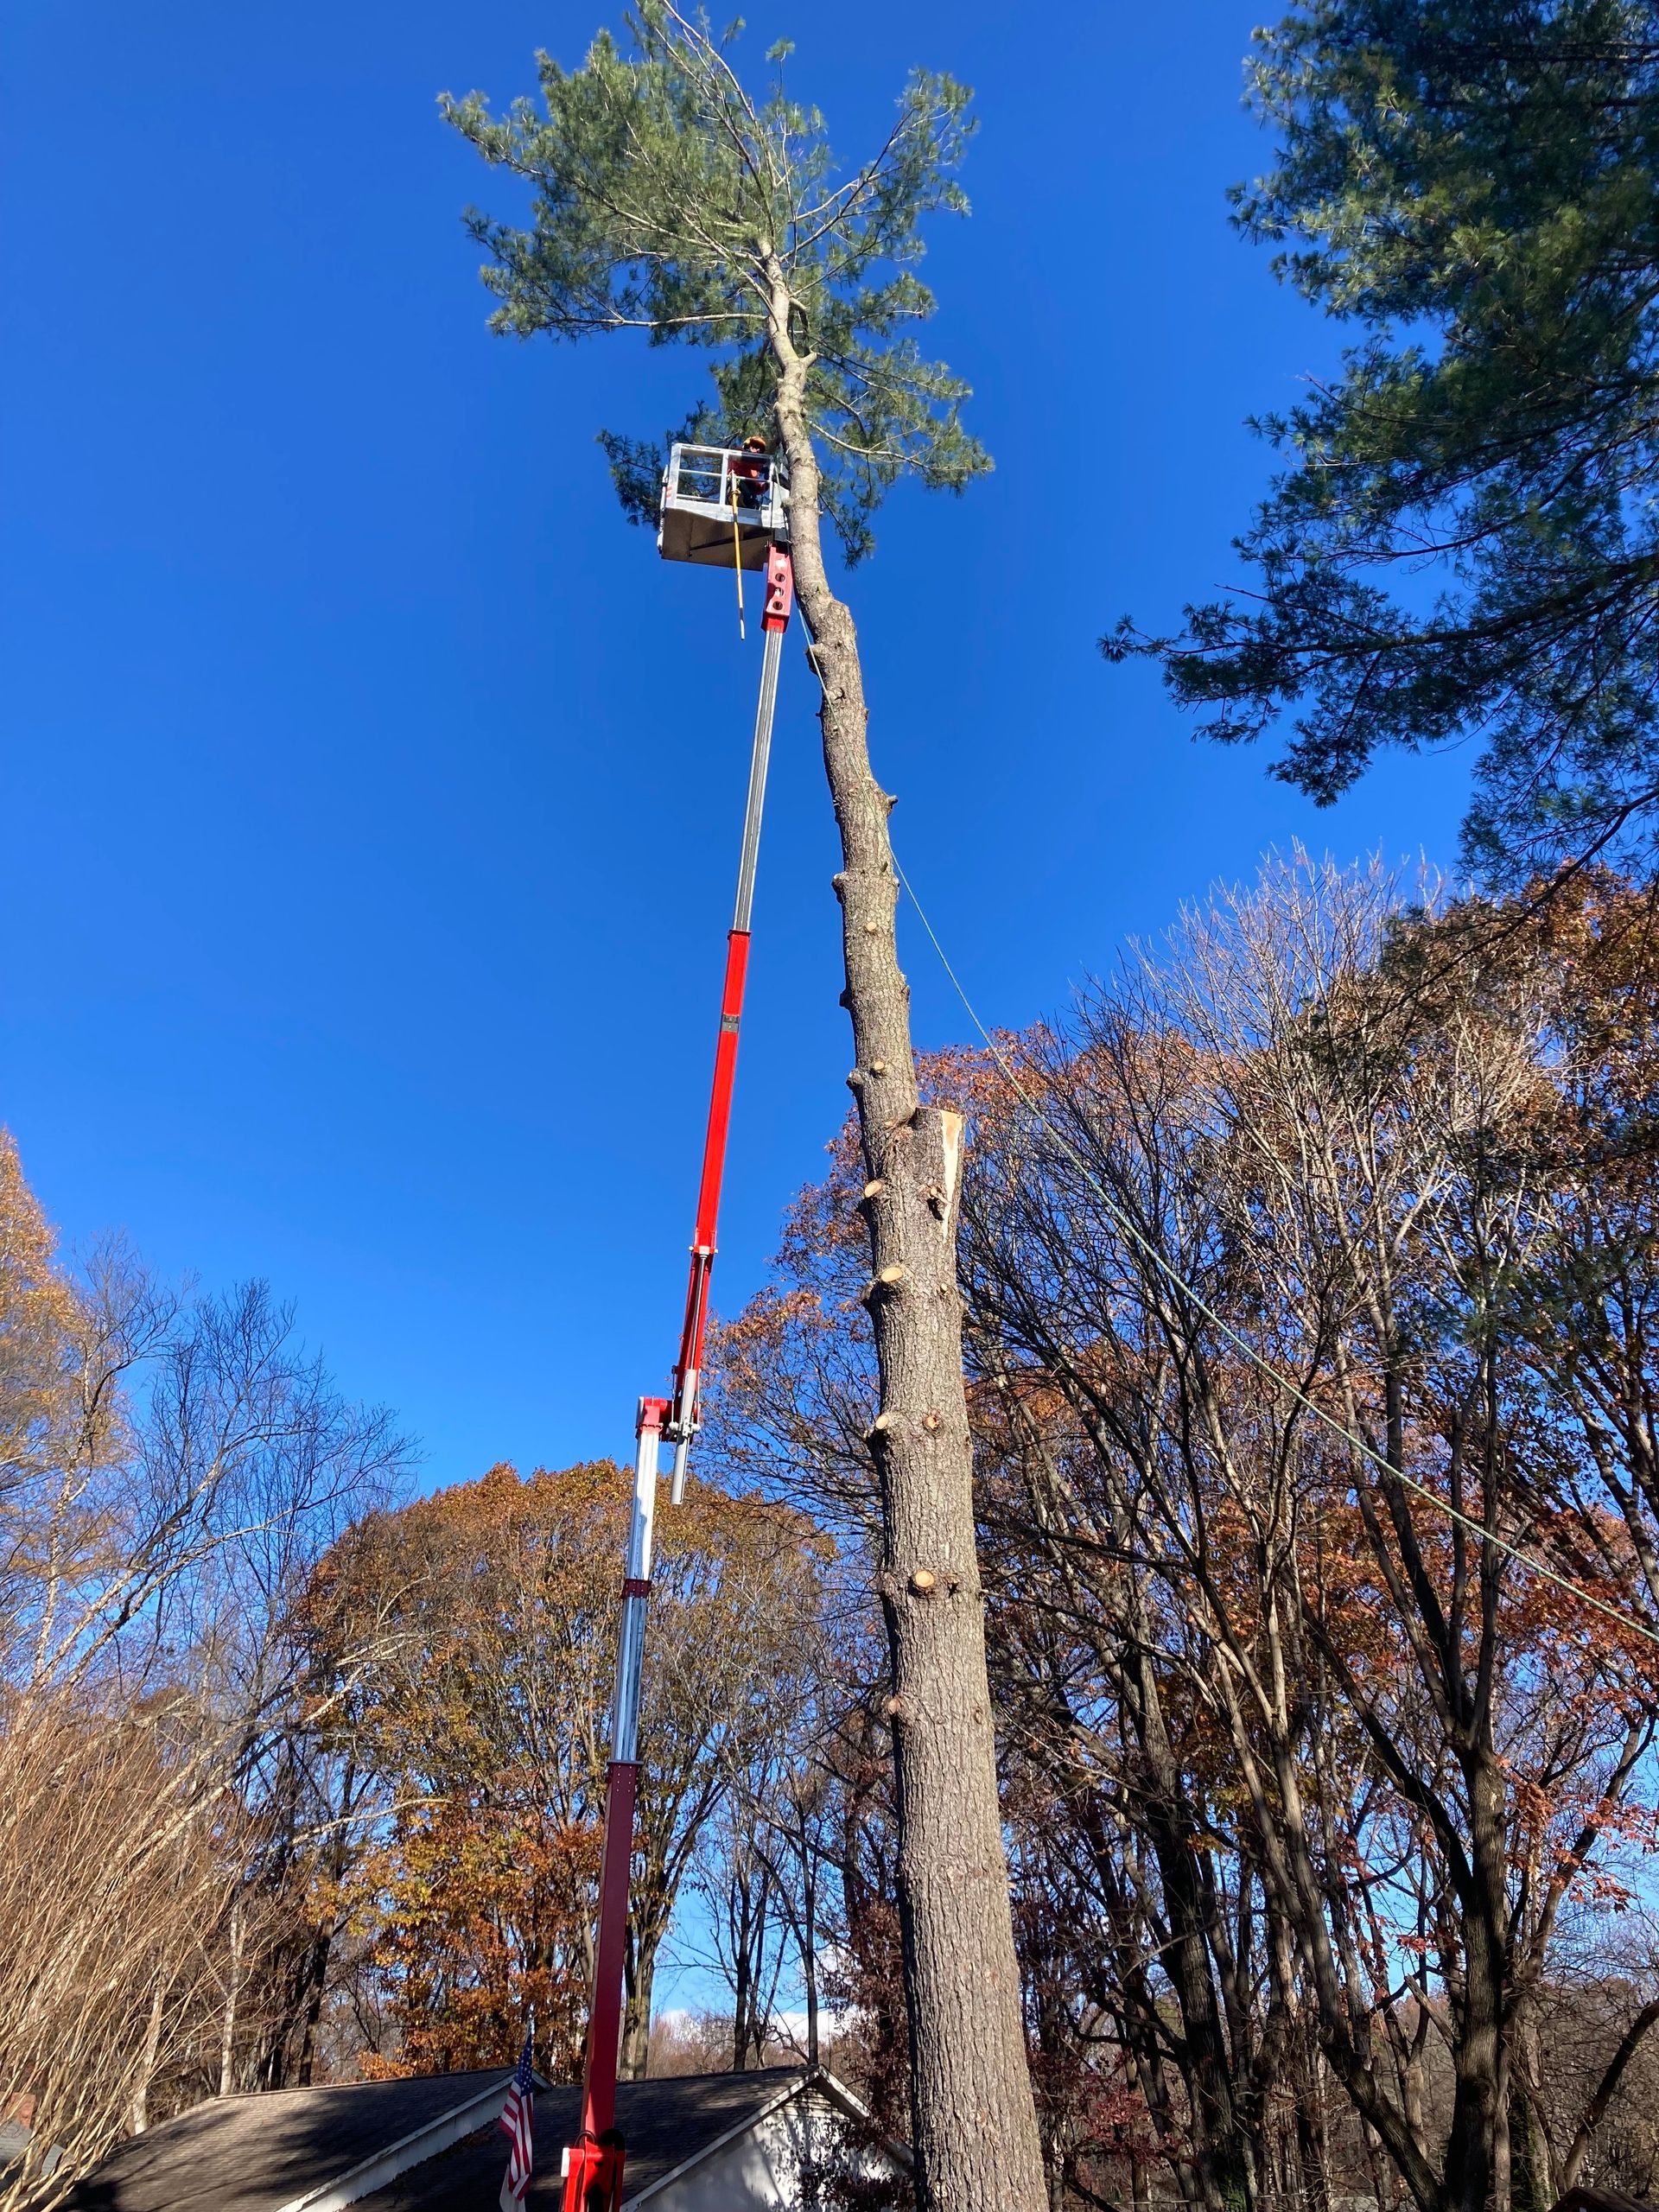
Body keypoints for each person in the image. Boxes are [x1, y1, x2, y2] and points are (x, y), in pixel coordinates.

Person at [730, 435, 771, 512]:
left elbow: (757, 489)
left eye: (760, 450)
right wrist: (762, 467)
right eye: (755, 447)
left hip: (748, 497)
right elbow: (746, 462)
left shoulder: (754, 470)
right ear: (748, 447)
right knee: (745, 487)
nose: (758, 450)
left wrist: (767, 483)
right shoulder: (739, 452)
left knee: (752, 493)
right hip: (737, 487)